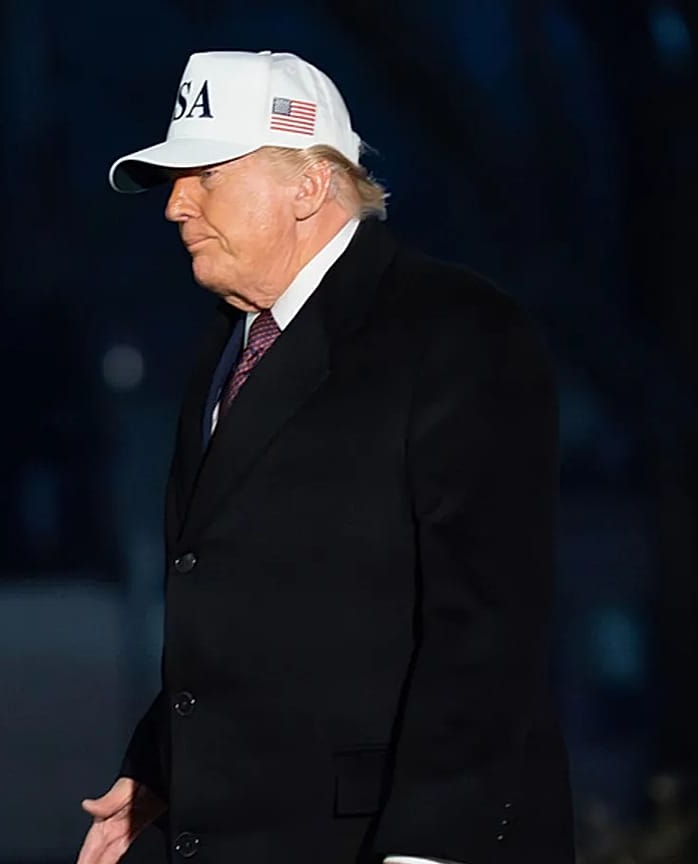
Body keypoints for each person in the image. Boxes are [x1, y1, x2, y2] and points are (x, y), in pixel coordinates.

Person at [78, 51, 573, 864]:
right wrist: (167, 761)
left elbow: (486, 626)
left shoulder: (458, 332)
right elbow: (253, 598)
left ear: (308, 185)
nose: (176, 205)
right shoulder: (227, 351)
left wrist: (429, 851)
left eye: (205, 175)